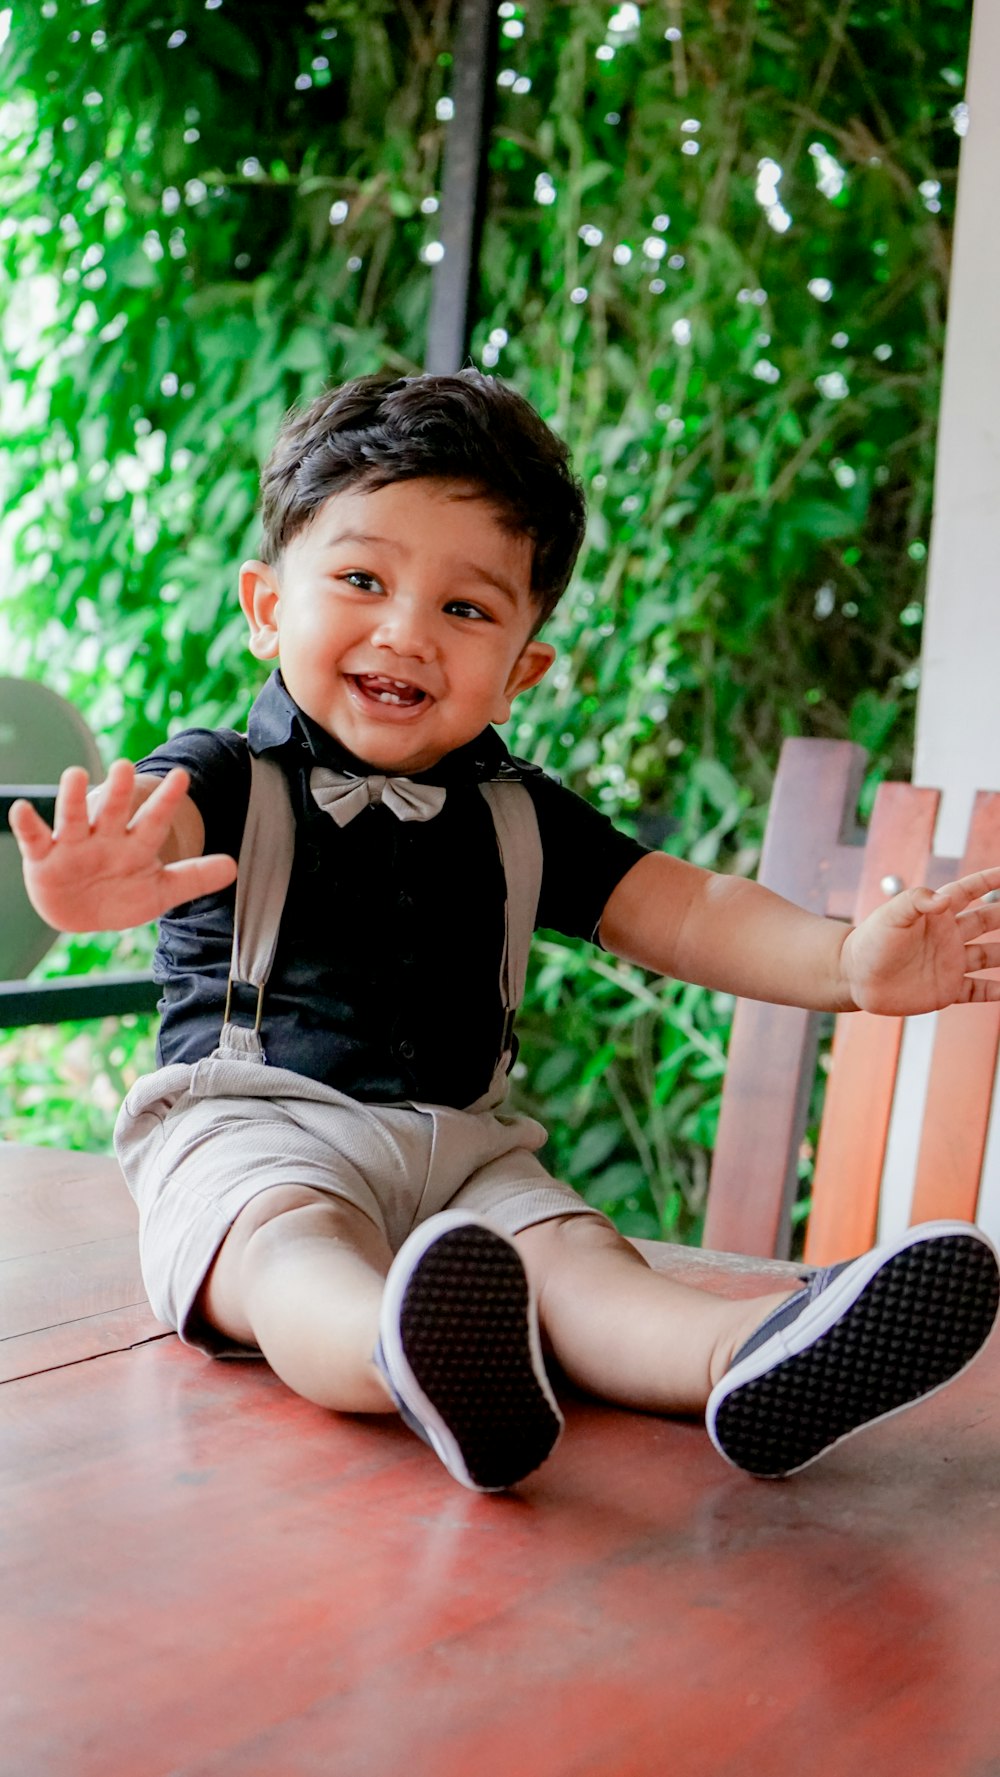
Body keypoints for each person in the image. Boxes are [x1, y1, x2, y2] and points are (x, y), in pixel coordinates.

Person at [12, 370, 1000, 1493]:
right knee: (286, 1243)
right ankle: (397, 1349)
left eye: (466, 608)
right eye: (360, 578)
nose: (406, 630)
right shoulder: (226, 775)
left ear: (520, 669)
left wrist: (842, 960)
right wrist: (106, 878)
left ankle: (745, 1355)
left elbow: (689, 907)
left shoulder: (520, 811)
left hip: (461, 1149)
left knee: (571, 1253)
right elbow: (155, 820)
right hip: (253, 1130)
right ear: (267, 607)